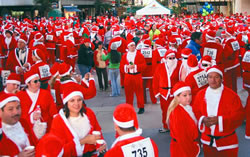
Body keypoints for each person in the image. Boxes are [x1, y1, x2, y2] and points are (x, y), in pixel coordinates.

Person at [193, 65, 245, 157]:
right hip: (208, 142)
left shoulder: (232, 96)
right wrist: (203, 119)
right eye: (210, 77)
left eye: (216, 77)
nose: (213, 80)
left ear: (222, 79)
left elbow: (239, 116)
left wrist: (220, 120)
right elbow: (196, 111)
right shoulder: (200, 95)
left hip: (227, 143)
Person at [50, 85, 106, 156]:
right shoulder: (58, 121)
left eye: (79, 100)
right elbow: (59, 150)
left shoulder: (89, 113)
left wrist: (102, 144)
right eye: (72, 100)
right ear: (66, 103)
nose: (76, 104)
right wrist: (83, 141)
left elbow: (99, 132)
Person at [17, 70, 57, 139]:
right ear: (28, 83)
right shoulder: (20, 96)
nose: (38, 83)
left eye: (39, 81)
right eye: (35, 81)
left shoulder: (46, 94)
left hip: (44, 130)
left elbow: (53, 112)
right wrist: (31, 117)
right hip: (27, 131)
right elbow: (18, 115)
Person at [167, 81, 200, 157]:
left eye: (190, 94)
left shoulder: (188, 107)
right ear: (177, 97)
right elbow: (182, 138)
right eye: (184, 95)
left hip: (187, 146)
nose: (188, 97)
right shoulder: (176, 112)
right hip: (183, 149)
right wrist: (192, 150)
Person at [153, 49, 181, 133]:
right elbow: (156, 80)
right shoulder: (160, 67)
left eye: (173, 58)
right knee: (165, 110)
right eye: (170, 58)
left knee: (175, 111)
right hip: (164, 93)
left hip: (174, 93)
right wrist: (157, 92)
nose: (172, 60)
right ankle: (166, 126)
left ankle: (175, 127)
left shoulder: (179, 66)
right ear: (166, 58)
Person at [120, 41, 146, 114]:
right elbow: (121, 66)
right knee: (128, 93)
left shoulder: (139, 55)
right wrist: (126, 67)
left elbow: (144, 66)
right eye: (131, 45)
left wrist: (136, 66)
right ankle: (129, 108)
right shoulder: (125, 56)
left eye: (134, 45)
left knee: (139, 92)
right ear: (128, 47)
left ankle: (141, 107)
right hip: (128, 76)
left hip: (137, 75)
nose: (133, 47)